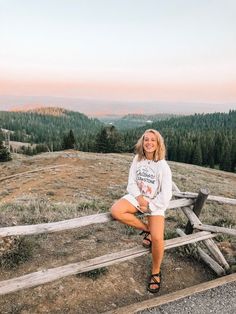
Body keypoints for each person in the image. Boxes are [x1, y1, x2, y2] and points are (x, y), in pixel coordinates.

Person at [110, 129, 172, 293]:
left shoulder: (163, 166)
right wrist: (139, 198)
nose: (149, 143)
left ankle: (156, 271)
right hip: (138, 197)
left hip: (156, 203)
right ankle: (147, 230)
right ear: (142, 142)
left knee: (158, 239)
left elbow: (166, 195)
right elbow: (131, 184)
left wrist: (150, 206)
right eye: (146, 140)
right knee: (116, 210)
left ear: (158, 143)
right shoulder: (137, 159)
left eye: (153, 140)